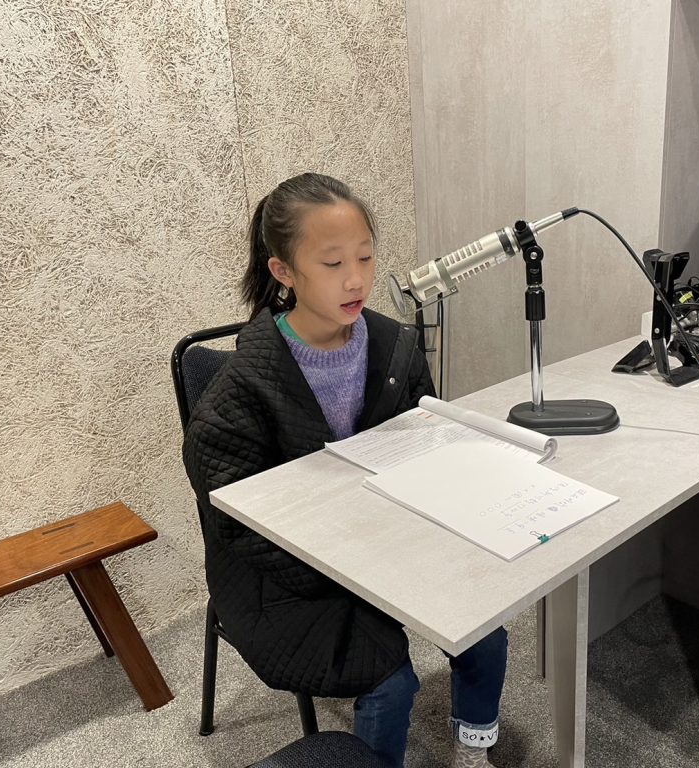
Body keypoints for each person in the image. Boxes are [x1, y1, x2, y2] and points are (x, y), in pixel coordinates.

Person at [182, 172, 507, 768]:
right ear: (284, 271)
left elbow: (425, 445)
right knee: (389, 678)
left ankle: (473, 752)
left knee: (485, 623)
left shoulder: (394, 346)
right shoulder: (238, 391)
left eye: (365, 256)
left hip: (388, 537)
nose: (356, 279)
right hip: (287, 573)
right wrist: (351, 567)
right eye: (333, 263)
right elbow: (235, 525)